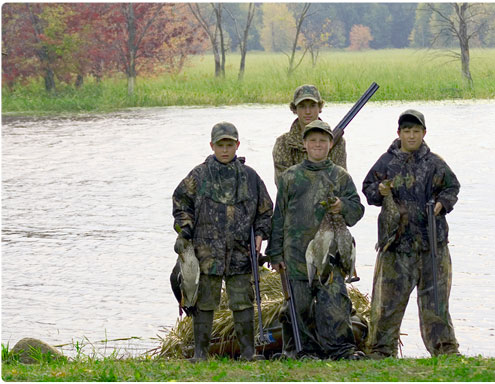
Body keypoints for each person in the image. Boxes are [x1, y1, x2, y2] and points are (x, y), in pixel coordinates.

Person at [362, 109, 461, 358]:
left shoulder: (434, 163)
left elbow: (452, 187)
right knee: (387, 304)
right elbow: (368, 190)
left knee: (436, 303)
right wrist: (381, 190)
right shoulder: (386, 162)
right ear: (399, 133)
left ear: (424, 133)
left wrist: (442, 204)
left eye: (416, 131)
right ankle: (381, 352)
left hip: (432, 247)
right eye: (407, 131)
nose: (412, 135)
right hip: (395, 247)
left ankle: (445, 351)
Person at [172, 121, 273, 362]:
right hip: (207, 251)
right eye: (220, 145)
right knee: (204, 303)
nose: (225, 150)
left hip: (241, 251)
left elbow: (266, 211)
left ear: (237, 145)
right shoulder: (199, 174)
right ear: (212, 145)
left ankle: (248, 353)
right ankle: (200, 354)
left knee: (242, 302)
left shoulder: (250, 176)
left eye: (230, 145)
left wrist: (260, 234)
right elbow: (180, 203)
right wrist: (185, 231)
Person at [265, 120, 365, 360]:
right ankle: (304, 351)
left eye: (322, 140)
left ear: (331, 144)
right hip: (296, 256)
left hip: (330, 258)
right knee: (299, 307)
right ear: (304, 145)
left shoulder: (340, 177)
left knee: (335, 303)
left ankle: (341, 350)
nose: (317, 144)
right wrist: (275, 253)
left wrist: (342, 206)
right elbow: (279, 217)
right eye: (312, 140)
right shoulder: (289, 178)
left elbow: (357, 210)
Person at [272, 84, 347, 184]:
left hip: (330, 199)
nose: (308, 112)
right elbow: (284, 183)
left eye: (312, 106)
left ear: (320, 108)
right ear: (294, 109)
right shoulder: (283, 143)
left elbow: (341, 181)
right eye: (302, 107)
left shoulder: (337, 142)